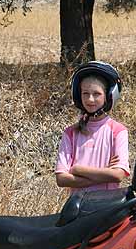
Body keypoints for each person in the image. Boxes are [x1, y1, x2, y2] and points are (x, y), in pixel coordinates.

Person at [55, 61, 130, 193]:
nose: (90, 99)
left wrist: (78, 169)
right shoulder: (70, 133)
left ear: (108, 96)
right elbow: (61, 179)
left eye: (96, 94)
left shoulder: (118, 131)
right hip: (78, 204)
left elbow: (118, 175)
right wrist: (105, 174)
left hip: (108, 203)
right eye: (85, 93)